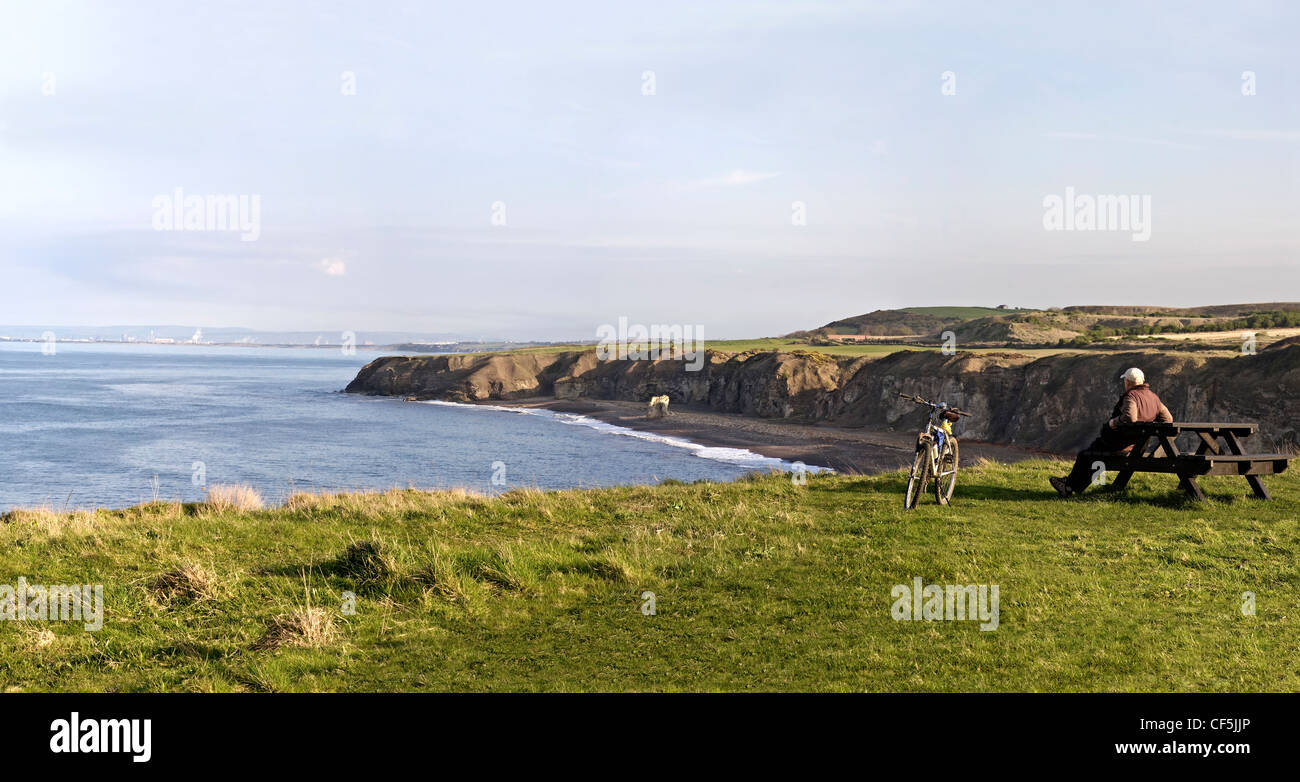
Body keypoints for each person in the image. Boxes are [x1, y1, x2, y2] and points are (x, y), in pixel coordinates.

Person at [1050, 367, 1172, 497]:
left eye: (1125, 381)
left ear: (1127, 382)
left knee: (1085, 456)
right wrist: (1148, 423)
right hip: (1138, 446)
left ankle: (1068, 486)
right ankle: (1069, 485)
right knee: (1093, 456)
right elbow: (1168, 419)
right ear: (1142, 381)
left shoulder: (1131, 396)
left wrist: (1114, 422)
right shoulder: (1154, 397)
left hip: (1120, 445)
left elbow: (1130, 418)